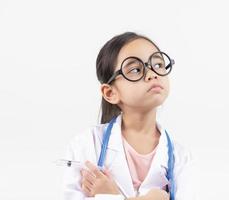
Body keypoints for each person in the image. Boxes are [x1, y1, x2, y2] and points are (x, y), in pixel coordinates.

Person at [62, 32, 196, 200]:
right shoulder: (86, 145)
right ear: (110, 93)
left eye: (158, 64)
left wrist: (109, 196)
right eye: (135, 69)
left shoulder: (180, 157)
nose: (152, 74)